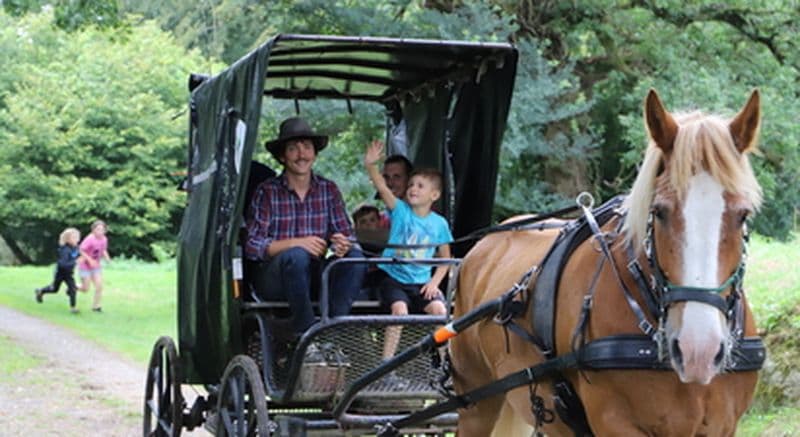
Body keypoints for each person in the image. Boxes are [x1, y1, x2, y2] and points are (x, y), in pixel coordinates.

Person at [245, 117, 366, 342]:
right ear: (282, 156)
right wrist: (296, 243)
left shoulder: (328, 189)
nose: (301, 154)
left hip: (316, 275)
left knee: (355, 257)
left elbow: (347, 235)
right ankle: (306, 334)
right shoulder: (267, 192)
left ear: (315, 154)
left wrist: (341, 244)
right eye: (293, 149)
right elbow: (252, 246)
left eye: (307, 147)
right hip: (274, 279)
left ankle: (332, 334)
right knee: (297, 255)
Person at [364, 140, 452, 360]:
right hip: (394, 278)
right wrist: (370, 165)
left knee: (441, 312)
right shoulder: (400, 210)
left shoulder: (439, 224)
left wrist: (434, 283)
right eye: (411, 184)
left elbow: (446, 259)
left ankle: (445, 365)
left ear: (434, 195)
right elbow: (382, 188)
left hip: (422, 282)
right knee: (400, 311)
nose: (413, 189)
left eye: (420, 186)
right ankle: (386, 365)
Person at [35, 228, 83, 313]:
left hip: (69, 274)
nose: (77, 239)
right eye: (74, 237)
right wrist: (75, 262)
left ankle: (73, 308)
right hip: (60, 273)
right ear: (68, 239)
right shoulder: (64, 249)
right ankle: (41, 291)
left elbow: (78, 255)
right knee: (54, 289)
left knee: (73, 288)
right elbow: (63, 264)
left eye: (78, 237)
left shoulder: (75, 248)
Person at [78, 220, 111, 313]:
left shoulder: (104, 239)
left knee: (99, 286)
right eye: (98, 229)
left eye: (102, 230)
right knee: (85, 289)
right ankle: (73, 287)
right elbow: (81, 250)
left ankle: (96, 306)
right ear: (93, 230)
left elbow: (103, 249)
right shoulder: (89, 239)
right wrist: (89, 260)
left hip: (96, 266)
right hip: (85, 266)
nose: (100, 232)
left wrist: (107, 258)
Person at [377, 154, 413, 228]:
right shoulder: (379, 220)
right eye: (386, 177)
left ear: (410, 179)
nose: (390, 183)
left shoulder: (423, 216)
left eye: (397, 177)